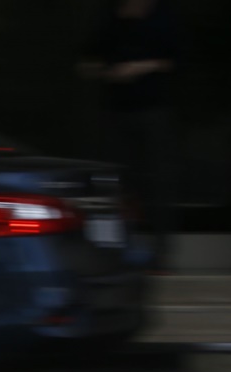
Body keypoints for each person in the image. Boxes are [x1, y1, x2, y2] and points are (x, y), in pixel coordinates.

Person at [80, 0, 181, 270]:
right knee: (117, 180)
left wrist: (138, 67)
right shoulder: (109, 18)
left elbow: (173, 60)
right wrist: (109, 73)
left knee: (158, 180)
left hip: (152, 109)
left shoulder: (163, 16)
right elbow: (86, 63)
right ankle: (118, 249)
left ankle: (162, 253)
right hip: (115, 111)